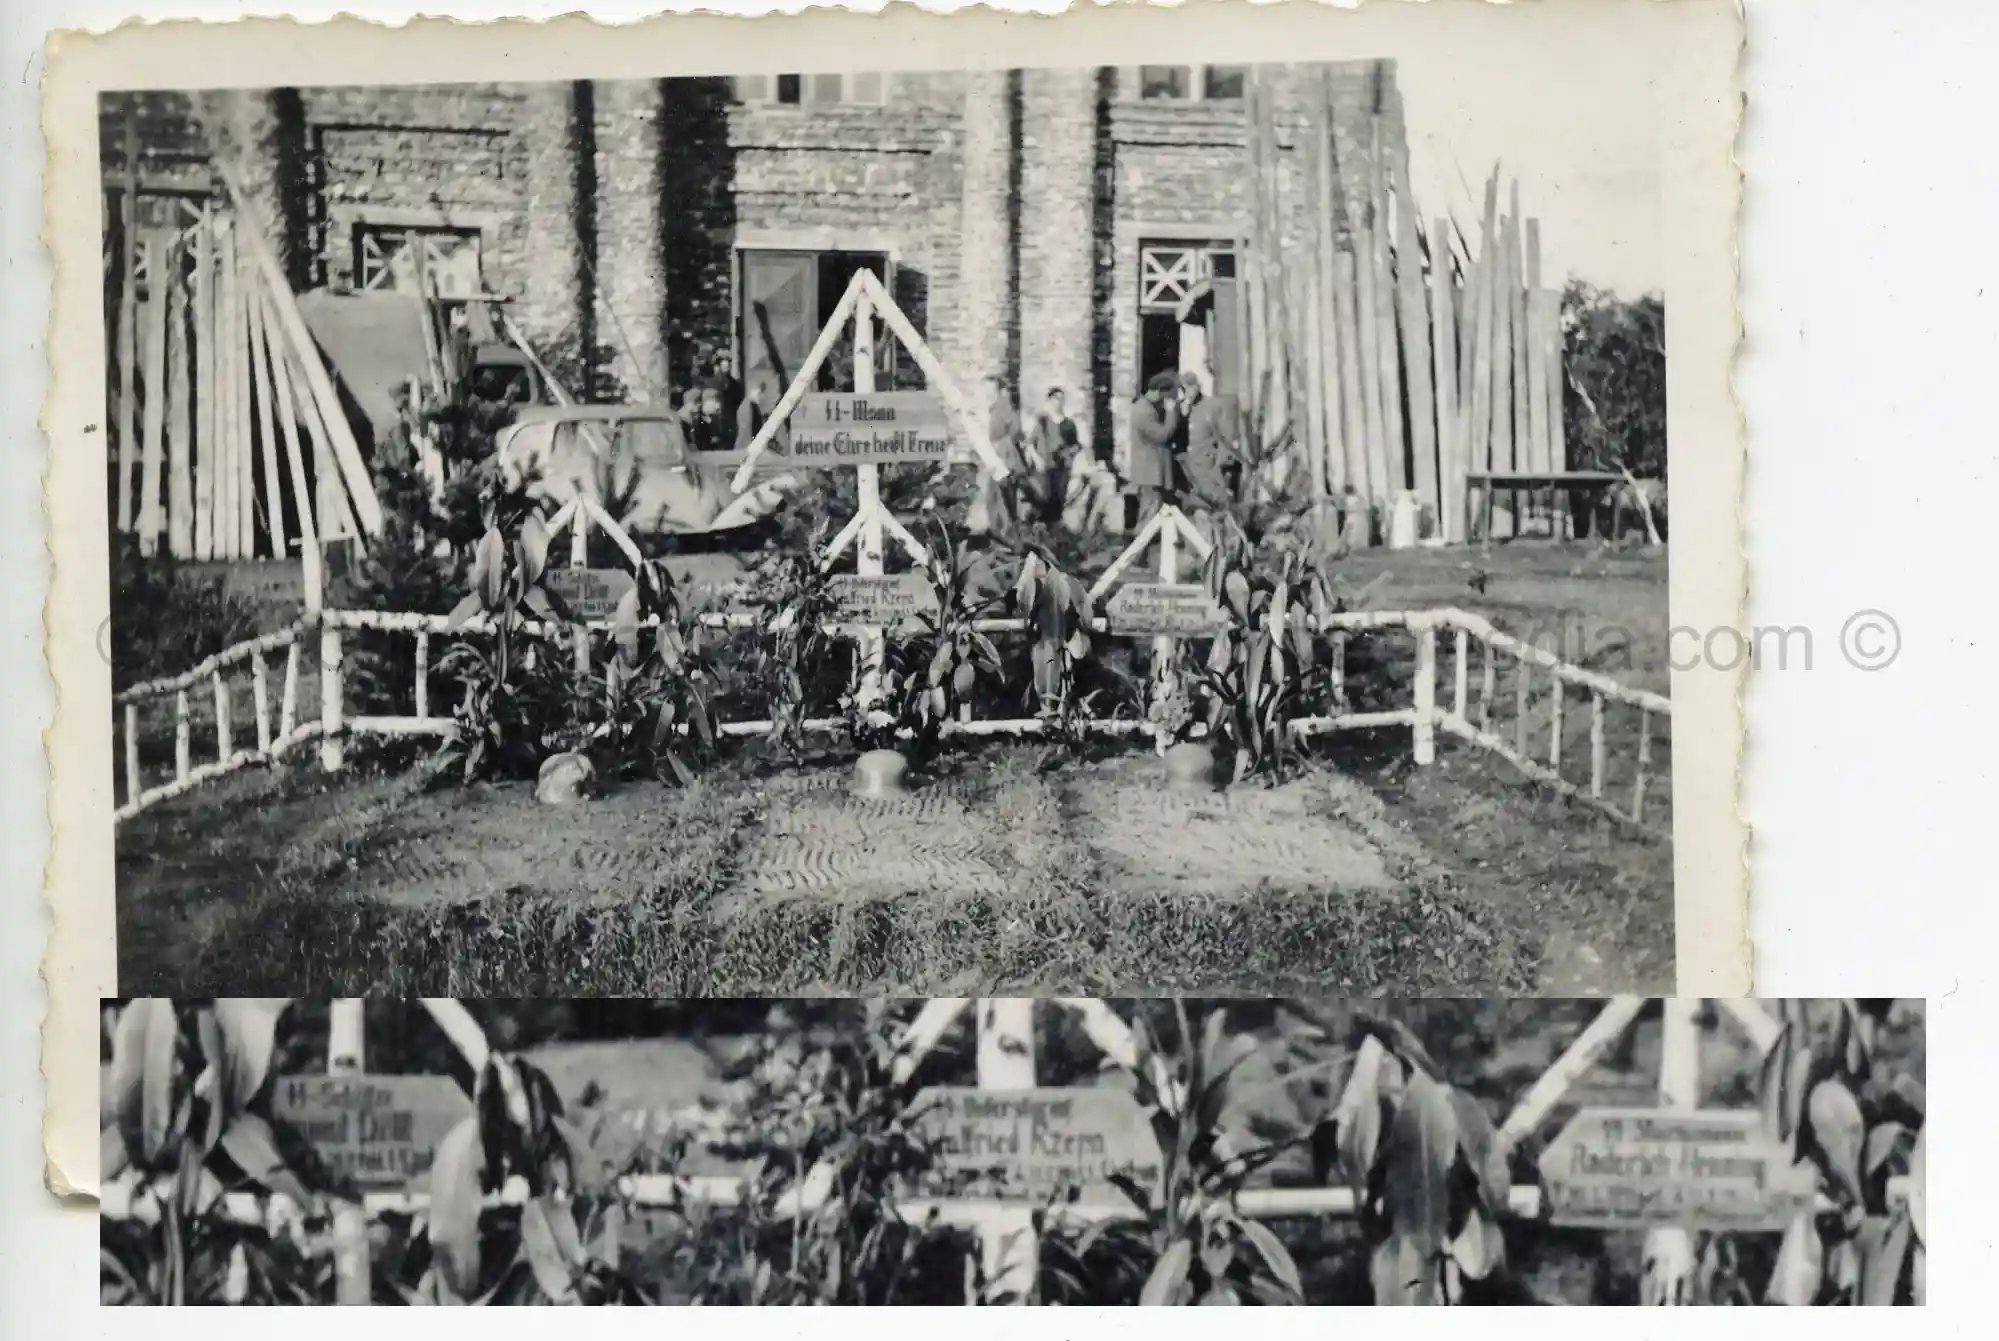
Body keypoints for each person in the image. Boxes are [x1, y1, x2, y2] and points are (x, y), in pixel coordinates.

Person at [1125, 371, 1183, 524]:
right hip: (1150, 471)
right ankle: (1140, 546)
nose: (1165, 399)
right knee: (1149, 513)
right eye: (1165, 394)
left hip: (1151, 470)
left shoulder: (1147, 407)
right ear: (1158, 391)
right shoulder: (1144, 411)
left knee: (1152, 511)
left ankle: (1144, 545)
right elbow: (1162, 435)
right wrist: (1171, 412)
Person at [1177, 370, 1241, 506]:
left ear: (1198, 387)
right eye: (1184, 388)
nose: (1188, 392)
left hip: (1210, 469)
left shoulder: (1212, 406)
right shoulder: (1182, 409)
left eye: (1191, 387)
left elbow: (1225, 438)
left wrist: (1221, 465)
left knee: (1218, 508)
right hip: (1190, 470)